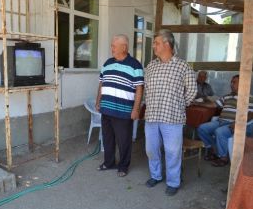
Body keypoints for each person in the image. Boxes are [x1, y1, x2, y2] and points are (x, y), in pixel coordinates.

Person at [144, 29, 197, 196]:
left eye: (156, 43)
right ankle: (156, 175)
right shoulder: (151, 66)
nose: (154, 46)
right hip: (152, 116)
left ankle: (173, 181)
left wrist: (181, 104)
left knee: (173, 152)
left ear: (167, 44)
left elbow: (192, 90)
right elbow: (146, 88)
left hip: (172, 117)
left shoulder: (182, 66)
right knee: (151, 149)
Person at [96, 34, 144, 177]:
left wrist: (136, 109)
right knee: (107, 138)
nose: (111, 48)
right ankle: (109, 162)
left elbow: (139, 89)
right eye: (112, 45)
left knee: (124, 141)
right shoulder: (107, 63)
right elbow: (101, 84)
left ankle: (123, 166)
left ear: (124, 47)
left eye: (114, 46)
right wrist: (98, 101)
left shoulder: (135, 65)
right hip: (107, 109)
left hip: (124, 111)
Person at [197, 75, 253, 166]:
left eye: (234, 82)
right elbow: (214, 105)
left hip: (233, 123)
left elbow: (251, 114)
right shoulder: (227, 96)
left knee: (220, 132)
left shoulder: (249, 98)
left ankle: (223, 157)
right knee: (202, 128)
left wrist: (239, 123)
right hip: (220, 121)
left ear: (242, 84)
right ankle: (214, 150)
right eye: (231, 82)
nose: (231, 84)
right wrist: (198, 104)